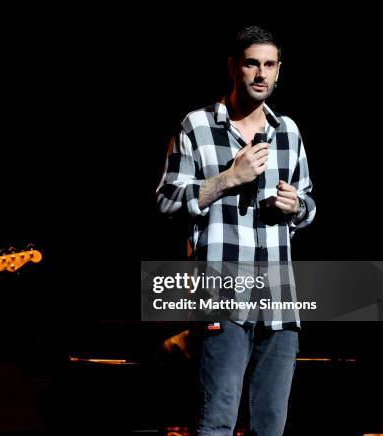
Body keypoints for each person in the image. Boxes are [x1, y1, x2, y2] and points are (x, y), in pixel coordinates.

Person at [156, 26, 315, 435]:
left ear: (279, 71)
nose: (260, 74)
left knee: (271, 426)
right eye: (251, 64)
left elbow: (309, 206)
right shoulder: (197, 125)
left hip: (279, 301)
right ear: (233, 67)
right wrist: (228, 178)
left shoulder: (288, 131)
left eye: (269, 65)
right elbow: (167, 201)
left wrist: (296, 206)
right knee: (218, 421)